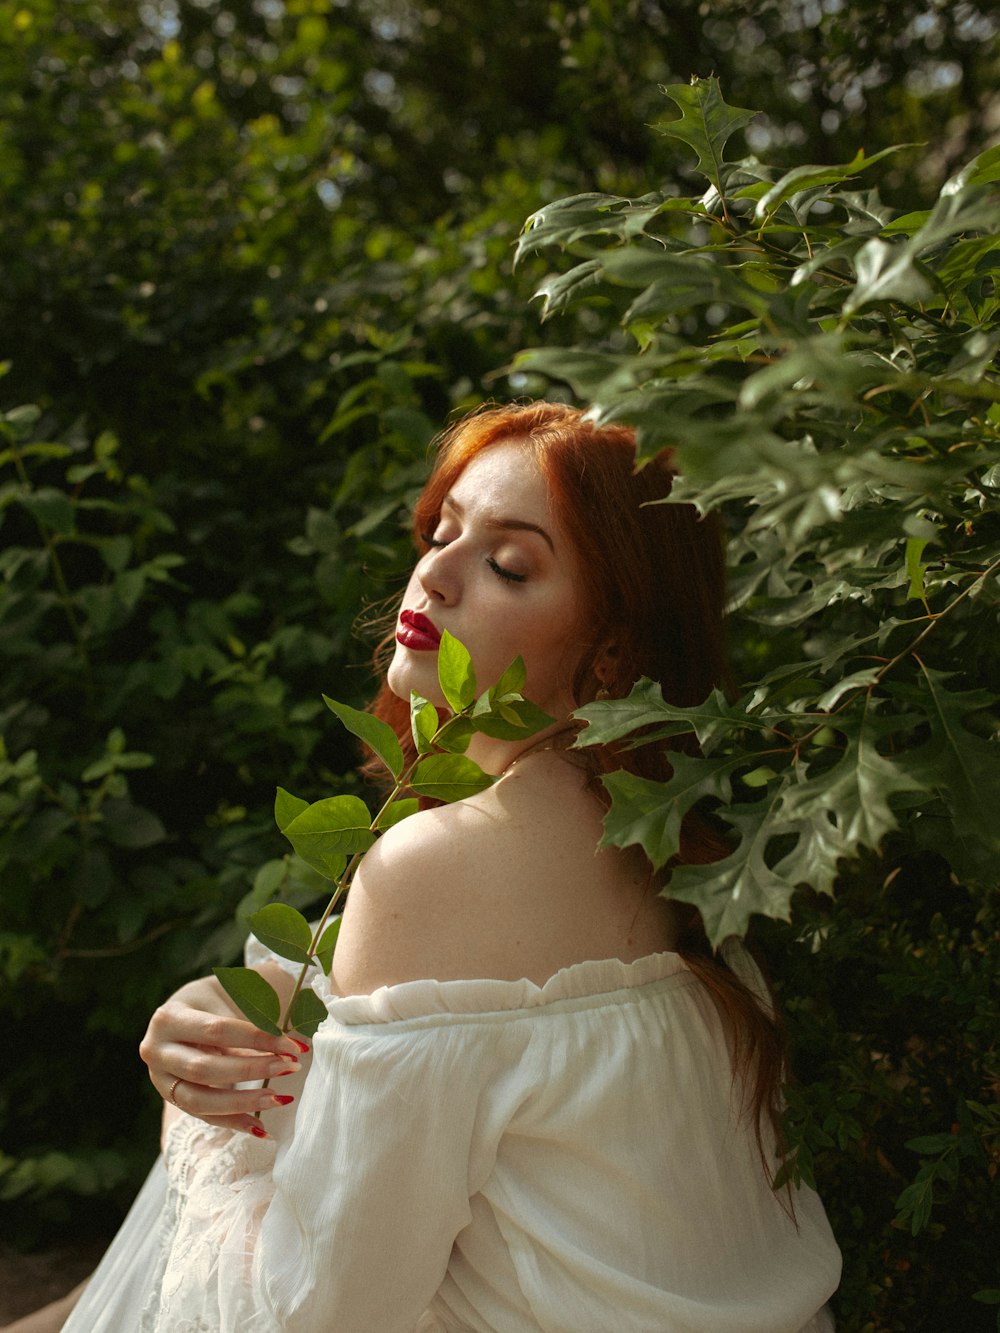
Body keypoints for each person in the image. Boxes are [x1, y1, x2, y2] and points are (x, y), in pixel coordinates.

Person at [46, 402, 840, 1331]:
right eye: (443, 530)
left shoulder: (444, 862)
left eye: (508, 563)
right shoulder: (677, 839)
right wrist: (264, 1004)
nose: (433, 572)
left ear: (614, 646)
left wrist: (198, 1121)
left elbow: (318, 1313)